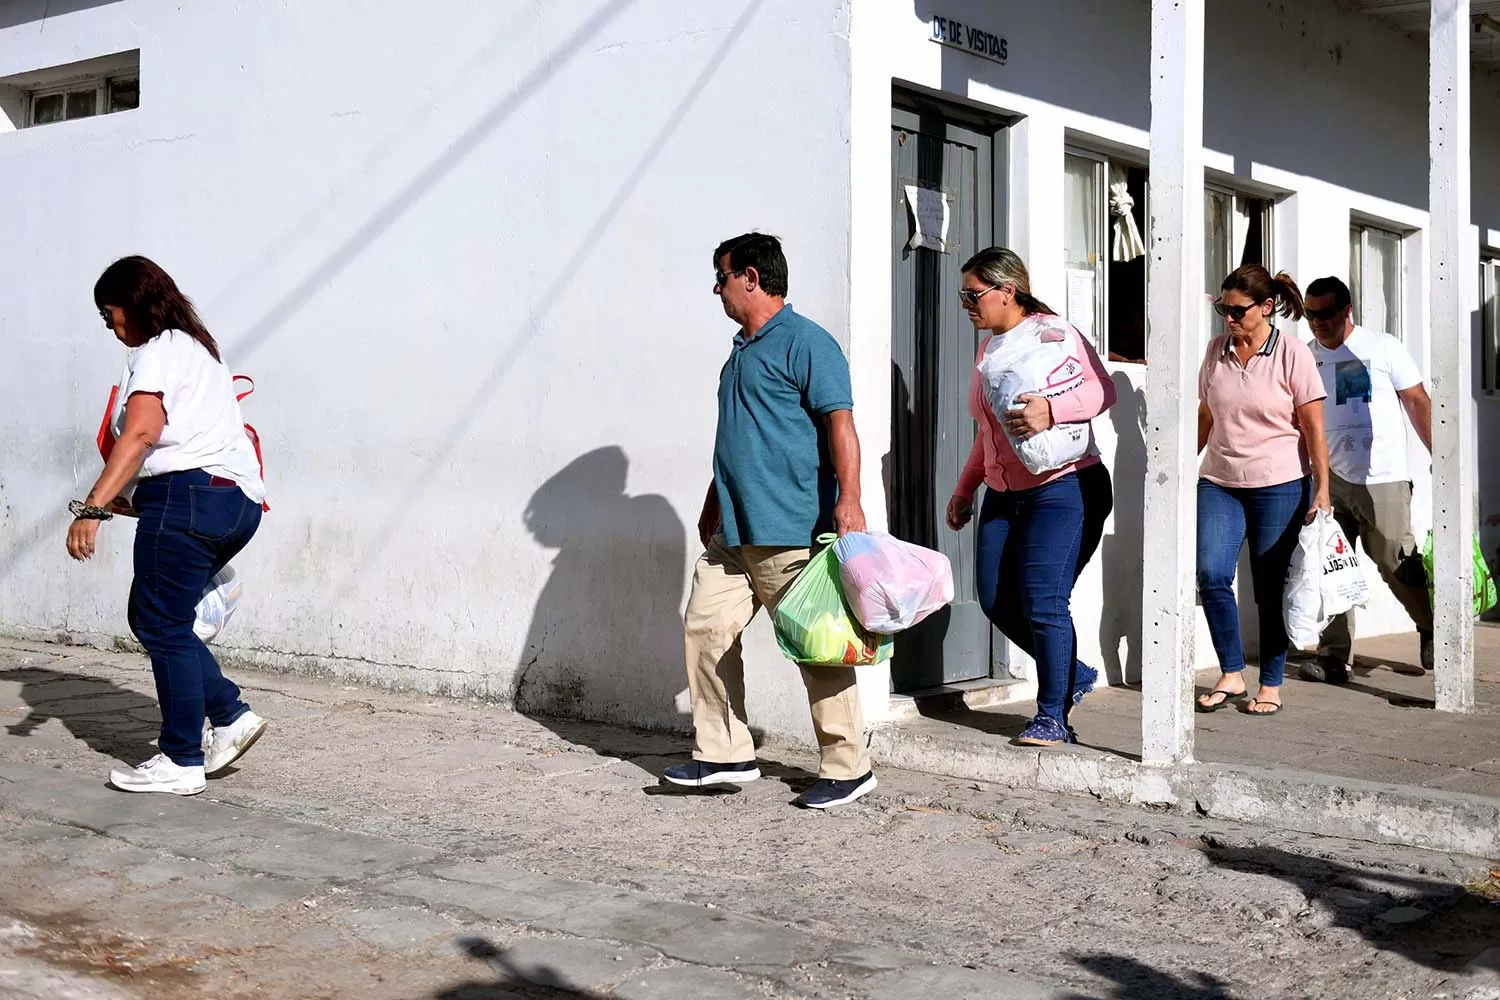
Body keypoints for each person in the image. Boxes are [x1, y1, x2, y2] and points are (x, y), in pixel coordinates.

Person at [663, 233, 875, 809]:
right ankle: (725, 751)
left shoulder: (808, 343)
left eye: (721, 276)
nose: (717, 288)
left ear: (750, 278)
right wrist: (713, 500)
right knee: (704, 630)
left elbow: (841, 425)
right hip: (733, 531)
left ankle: (848, 765)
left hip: (791, 529)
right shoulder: (740, 351)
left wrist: (850, 499)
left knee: (817, 647)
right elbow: (739, 438)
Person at [66, 256, 269, 795]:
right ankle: (228, 715)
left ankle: (182, 759)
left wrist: (92, 508)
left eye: (108, 313)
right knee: (157, 616)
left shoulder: (155, 352)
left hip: (190, 498)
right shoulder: (200, 352)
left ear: (131, 304)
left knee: (161, 624)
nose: (109, 326)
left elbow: (141, 437)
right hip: (233, 501)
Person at [946, 247, 1116, 747]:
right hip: (1003, 490)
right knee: (997, 599)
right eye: (963, 294)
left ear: (1007, 291)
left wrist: (1052, 409)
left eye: (973, 294)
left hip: (1064, 488)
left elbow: (1104, 391)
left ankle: (1052, 716)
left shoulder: (1054, 336)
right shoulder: (990, 349)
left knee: (1044, 601)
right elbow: (990, 429)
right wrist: (965, 488)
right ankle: (1073, 675)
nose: (965, 304)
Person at [1195, 265, 1331, 717]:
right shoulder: (1216, 351)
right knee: (1212, 574)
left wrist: (1322, 487)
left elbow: (1313, 425)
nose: (1228, 318)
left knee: (1269, 587)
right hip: (1219, 481)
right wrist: (1180, 466)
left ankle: (1271, 682)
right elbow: (1206, 415)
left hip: (1280, 484)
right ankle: (1232, 673)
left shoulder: (1292, 353)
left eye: (1237, 310)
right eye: (1223, 309)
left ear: (1266, 307)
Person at [1300, 276, 1433, 682]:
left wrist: (1440, 455)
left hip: (1384, 477)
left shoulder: (1383, 346)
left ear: (1347, 311)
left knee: (1396, 561)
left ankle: (1432, 628)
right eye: (1310, 314)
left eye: (1325, 313)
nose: (1317, 322)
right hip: (1329, 477)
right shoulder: (1306, 356)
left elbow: (1416, 399)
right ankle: (1334, 656)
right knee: (1332, 564)